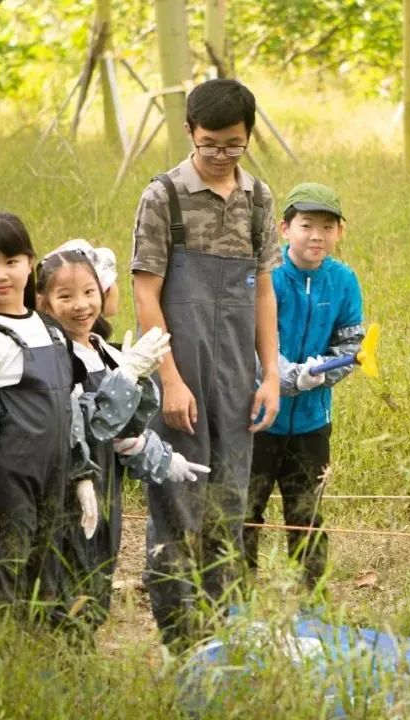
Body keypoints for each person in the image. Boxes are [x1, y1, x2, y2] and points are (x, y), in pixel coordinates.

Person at [130, 78, 282, 645]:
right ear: (190, 132)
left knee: (228, 506)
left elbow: (264, 291)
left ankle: (221, 635)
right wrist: (169, 380)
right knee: (177, 505)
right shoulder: (163, 197)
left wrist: (270, 376)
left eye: (234, 144)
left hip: (237, 378)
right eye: (210, 143)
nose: (221, 155)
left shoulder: (260, 199)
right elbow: (147, 295)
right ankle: (178, 639)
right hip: (181, 369)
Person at [35, 242, 204, 628]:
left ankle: (83, 655)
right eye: (66, 296)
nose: (81, 305)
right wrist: (126, 377)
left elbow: (124, 433)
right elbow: (90, 423)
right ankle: (62, 661)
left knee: (99, 572)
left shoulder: (104, 351)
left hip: (107, 484)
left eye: (89, 293)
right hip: (68, 483)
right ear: (45, 304)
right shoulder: (53, 356)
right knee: (65, 580)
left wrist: (164, 459)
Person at [0, 212, 102, 626]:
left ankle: (40, 673)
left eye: (11, 261)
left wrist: (82, 473)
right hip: (6, 484)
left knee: (49, 577)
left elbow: (70, 407)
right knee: (2, 583)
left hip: (54, 478)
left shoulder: (50, 330)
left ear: (29, 262)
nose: (1, 275)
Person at [243, 182, 364, 591]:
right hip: (259, 418)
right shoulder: (268, 277)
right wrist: (292, 376)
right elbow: (252, 343)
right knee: (246, 510)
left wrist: (323, 372)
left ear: (339, 232)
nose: (316, 236)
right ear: (284, 228)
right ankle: (238, 596)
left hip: (313, 422)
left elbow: (351, 344)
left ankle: (312, 600)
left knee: (307, 513)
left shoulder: (343, 281)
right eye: (306, 225)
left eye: (327, 227)